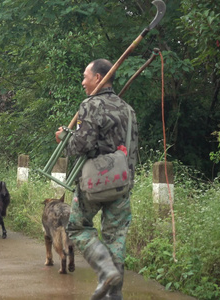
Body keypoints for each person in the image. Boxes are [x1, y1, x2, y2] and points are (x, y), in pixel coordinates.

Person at [55, 59, 138, 300]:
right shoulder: (129, 110)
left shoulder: (90, 105)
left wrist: (64, 138)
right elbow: (132, 151)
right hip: (122, 183)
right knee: (116, 238)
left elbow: (82, 144)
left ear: (99, 78)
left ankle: (105, 270)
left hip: (93, 184)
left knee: (77, 227)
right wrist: (126, 182)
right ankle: (115, 295)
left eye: (85, 76)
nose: (83, 82)